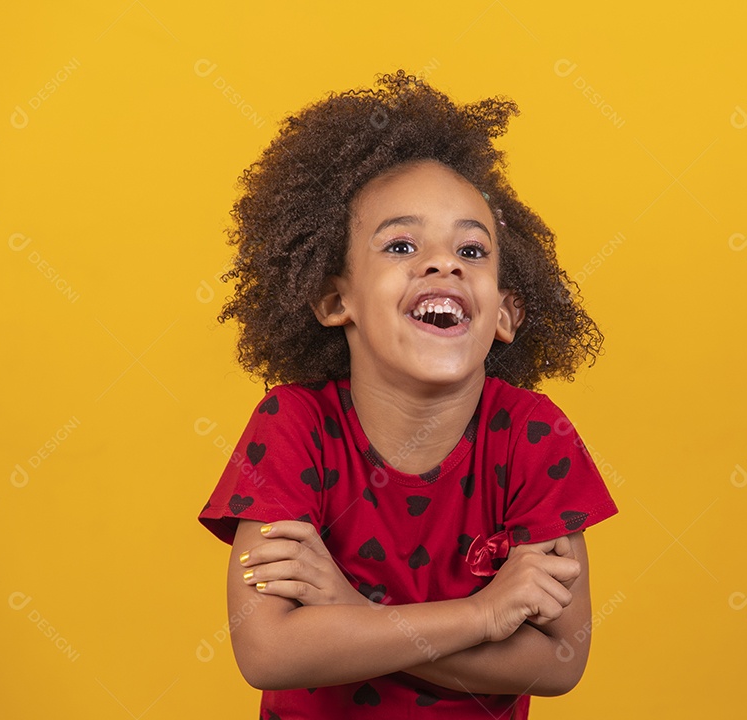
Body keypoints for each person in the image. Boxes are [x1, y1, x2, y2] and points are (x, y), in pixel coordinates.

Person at [198, 70, 619, 719]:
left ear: (505, 313)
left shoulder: (533, 436)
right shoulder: (293, 425)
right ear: (336, 298)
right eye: (401, 244)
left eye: (473, 250)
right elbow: (269, 651)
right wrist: (482, 614)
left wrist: (346, 612)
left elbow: (560, 662)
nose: (443, 263)